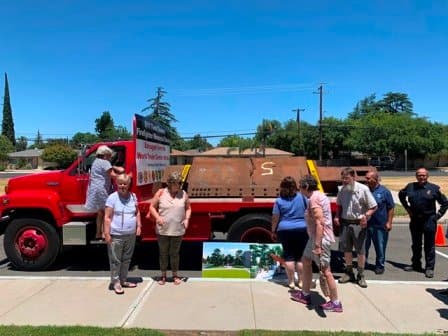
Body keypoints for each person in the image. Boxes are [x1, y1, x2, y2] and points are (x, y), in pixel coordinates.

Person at [291, 175, 342, 312]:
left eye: (300, 187)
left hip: (320, 239)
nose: (299, 190)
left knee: (326, 271)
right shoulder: (318, 195)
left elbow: (320, 223)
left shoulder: (313, 200)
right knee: (306, 260)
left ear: (306, 187)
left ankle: (335, 302)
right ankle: (305, 294)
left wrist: (318, 245)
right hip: (314, 238)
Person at [398, 167, 448, 278]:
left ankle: (429, 268)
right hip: (415, 220)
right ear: (416, 176)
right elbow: (401, 195)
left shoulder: (434, 188)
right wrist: (407, 208)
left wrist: (438, 215)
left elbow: (445, 202)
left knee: (429, 245)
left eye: (424, 175)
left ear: (427, 176)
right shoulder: (410, 187)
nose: (421, 177)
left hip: (429, 220)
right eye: (419, 175)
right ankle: (416, 264)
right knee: (416, 244)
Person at [334, 167, 377, 288]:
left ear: (354, 177)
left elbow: (373, 206)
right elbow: (339, 205)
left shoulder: (363, 189)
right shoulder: (342, 189)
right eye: (343, 178)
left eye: (346, 178)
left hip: (359, 223)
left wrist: (366, 216)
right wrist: (337, 216)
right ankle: (349, 273)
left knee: (360, 251)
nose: (344, 181)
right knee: (346, 250)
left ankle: (361, 274)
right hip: (345, 223)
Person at [148, 171, 192, 285]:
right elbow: (152, 207)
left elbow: (188, 208)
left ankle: (175, 275)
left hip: (178, 229)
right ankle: (163, 275)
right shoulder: (161, 192)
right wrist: (157, 217)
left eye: (179, 183)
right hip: (163, 229)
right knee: (163, 253)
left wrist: (187, 219)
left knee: (175, 253)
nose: (178, 185)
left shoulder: (183, 194)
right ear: (170, 183)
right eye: (176, 183)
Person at [103, 173, 141, 294]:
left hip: (130, 234)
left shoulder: (133, 196)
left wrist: (139, 226)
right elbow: (107, 217)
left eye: (125, 183)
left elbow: (137, 213)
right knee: (115, 260)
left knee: (127, 259)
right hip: (116, 235)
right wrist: (107, 233)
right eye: (120, 184)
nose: (122, 186)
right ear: (117, 184)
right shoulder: (112, 198)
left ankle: (123, 280)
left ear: (129, 184)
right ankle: (116, 282)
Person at [271, 176, 308, 290]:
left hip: (285, 230)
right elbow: (308, 211)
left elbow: (275, 217)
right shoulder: (302, 197)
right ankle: (301, 281)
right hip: (302, 229)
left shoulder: (279, 200)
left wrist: (273, 230)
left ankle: (291, 282)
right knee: (300, 257)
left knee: (289, 257)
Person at [85, 145, 125, 239]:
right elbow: (113, 175)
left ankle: (98, 233)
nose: (110, 157)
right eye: (109, 155)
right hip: (101, 189)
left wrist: (113, 166)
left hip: (94, 189)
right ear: (104, 155)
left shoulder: (96, 162)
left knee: (100, 213)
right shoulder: (105, 162)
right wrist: (126, 177)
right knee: (106, 212)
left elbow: (108, 170)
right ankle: (104, 233)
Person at [365, 169, 395, 275]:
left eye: (368, 178)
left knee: (380, 247)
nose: (366, 180)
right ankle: (363, 263)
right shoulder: (364, 190)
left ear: (375, 179)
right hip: (365, 224)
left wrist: (389, 222)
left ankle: (379, 265)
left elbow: (391, 207)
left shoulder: (384, 191)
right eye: (366, 178)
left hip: (380, 224)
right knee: (364, 246)